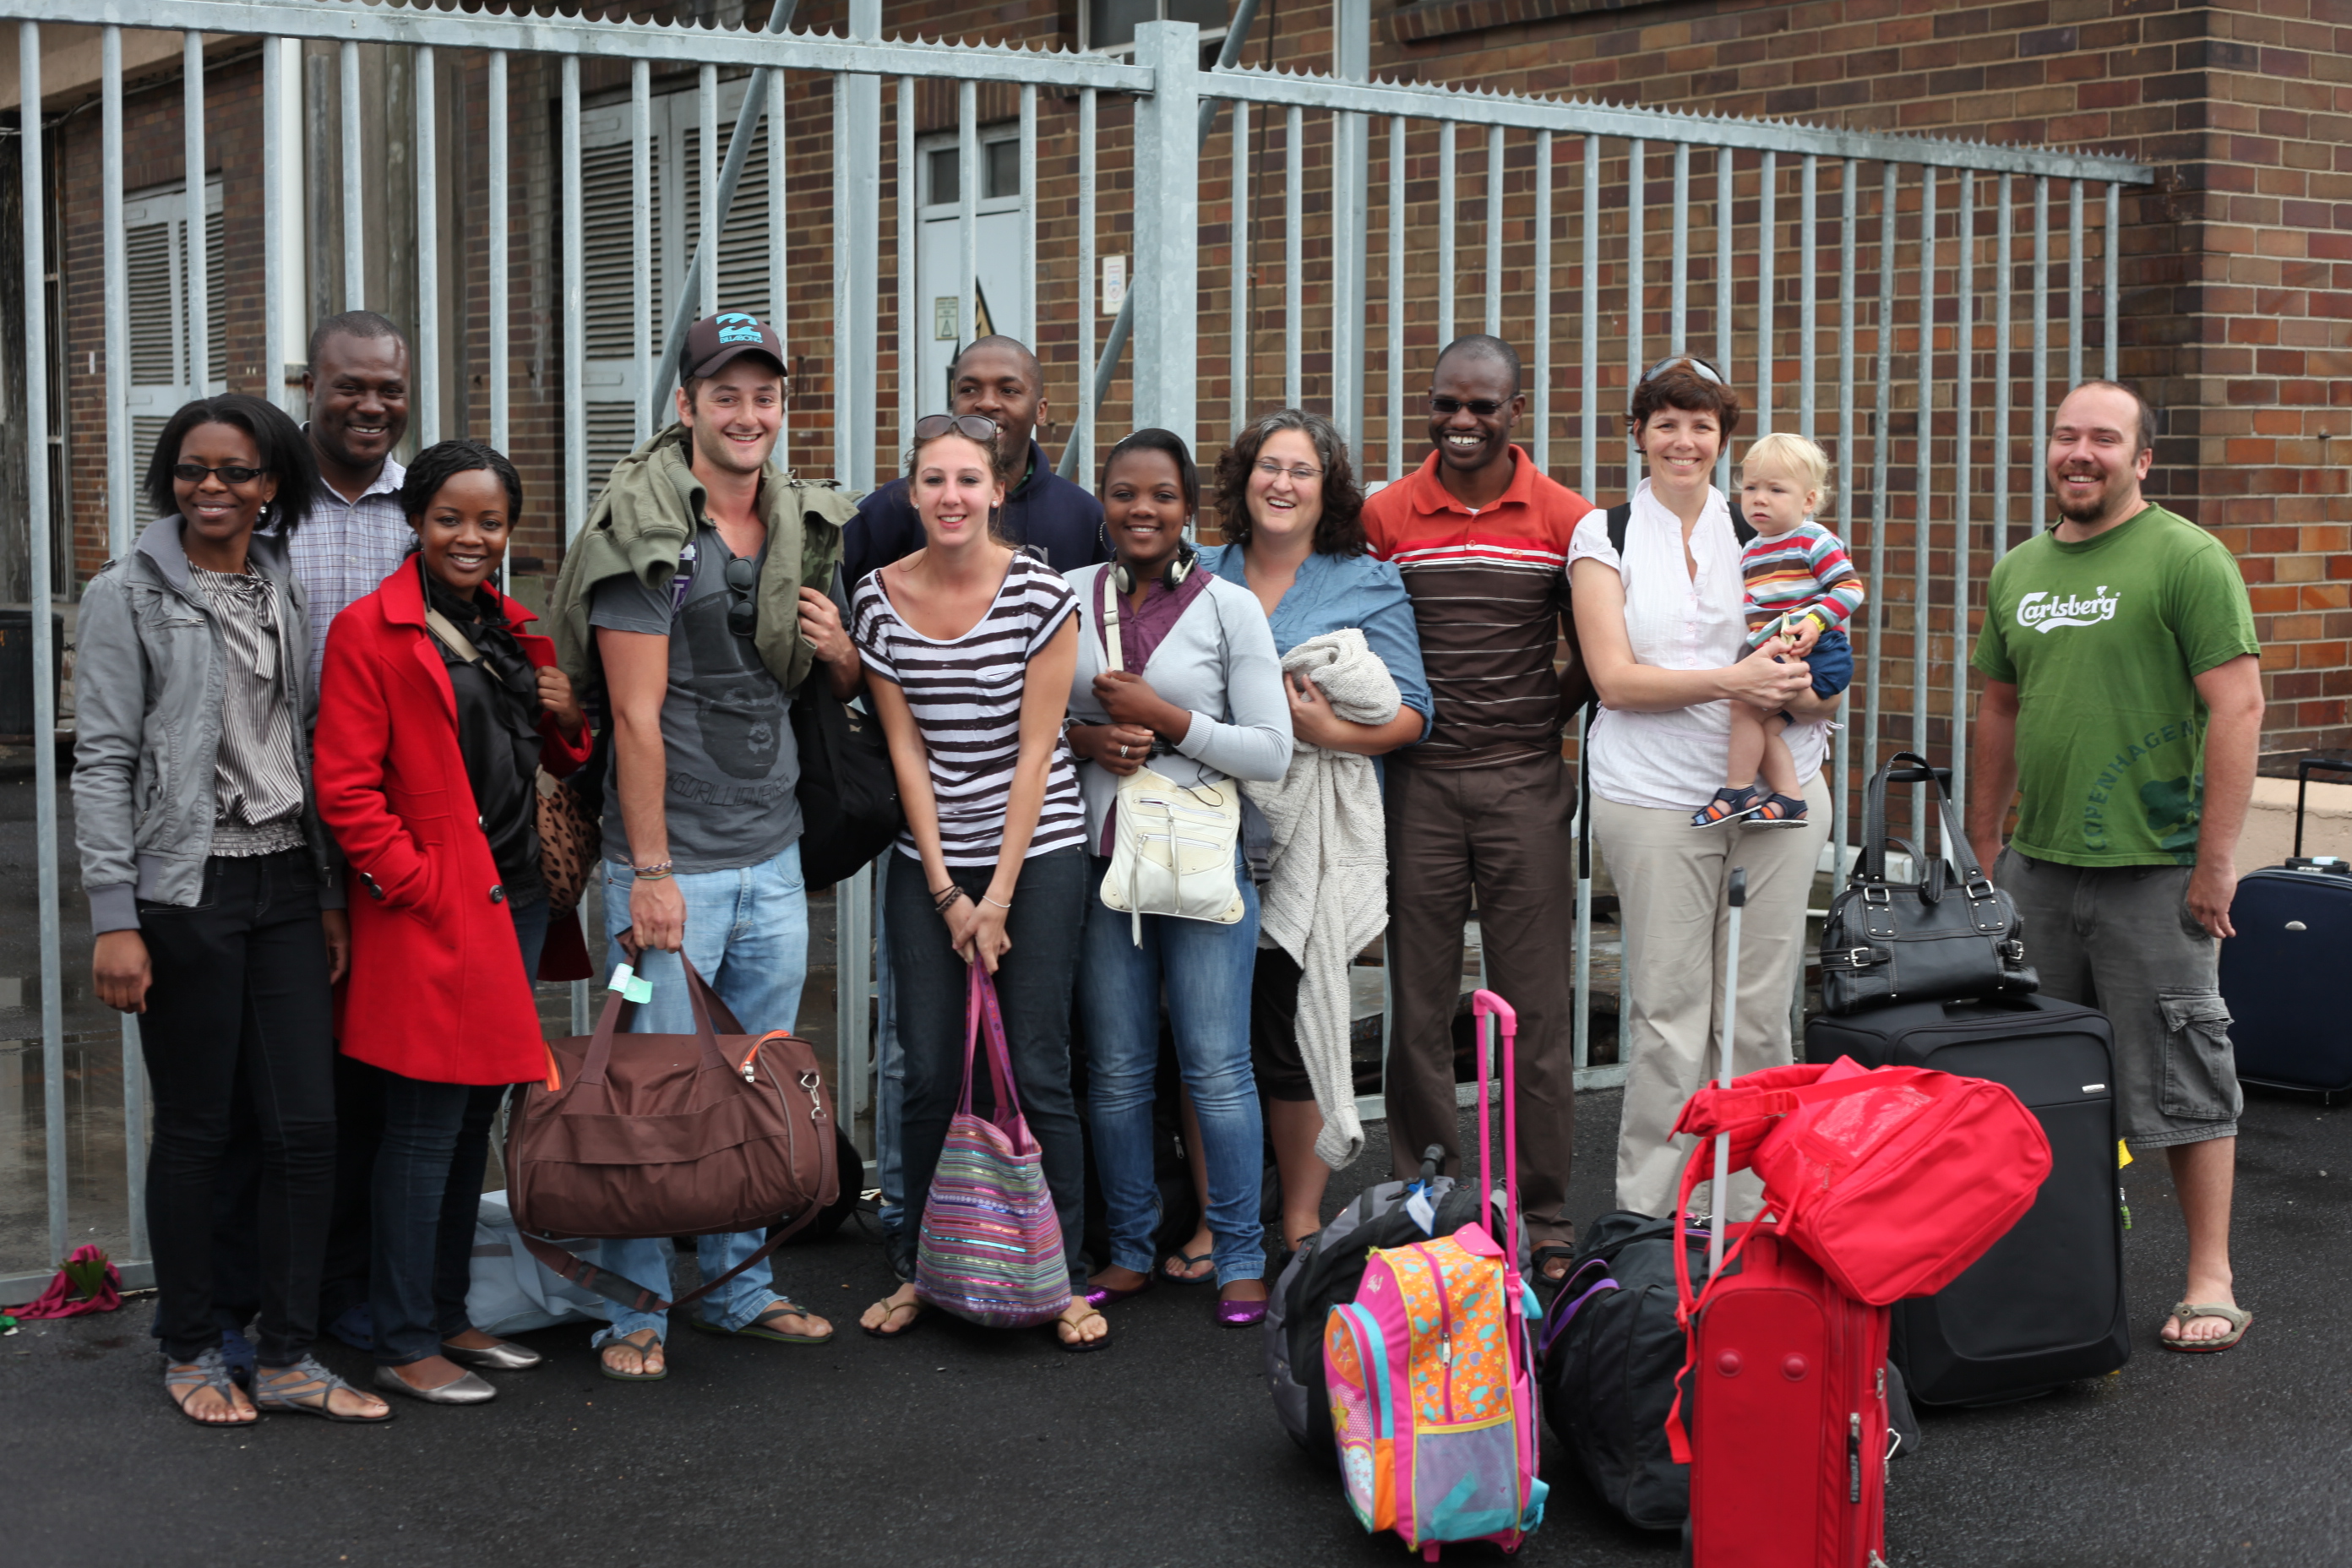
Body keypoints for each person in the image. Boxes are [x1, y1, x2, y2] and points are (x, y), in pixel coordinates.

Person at [73, 394, 389, 1426]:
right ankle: (191, 1344)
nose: (210, 486)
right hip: (186, 889)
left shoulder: (278, 581)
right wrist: (114, 915)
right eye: (191, 468)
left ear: (270, 485)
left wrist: (329, 893)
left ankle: (288, 1352)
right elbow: (103, 758)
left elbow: (300, 733)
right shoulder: (125, 592)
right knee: (199, 1128)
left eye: (235, 471)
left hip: (287, 880)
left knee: (305, 1126)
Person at [551, 313, 857, 1380]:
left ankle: (738, 1286)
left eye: (764, 395)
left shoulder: (796, 523)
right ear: (686, 405)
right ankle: (633, 1305)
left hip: (771, 851)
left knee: (754, 1077)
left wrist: (843, 652)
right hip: (670, 865)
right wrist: (650, 875)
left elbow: (832, 678)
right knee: (651, 1086)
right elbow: (635, 717)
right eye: (725, 394)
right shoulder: (647, 530)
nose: (747, 413)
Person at [1966, 380, 2262, 1353]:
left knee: (2184, 1069)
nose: (2079, 452)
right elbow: (2000, 705)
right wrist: (1984, 841)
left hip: (2157, 867)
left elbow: (2238, 706)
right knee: (2034, 1077)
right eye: (2066, 435)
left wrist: (2216, 860)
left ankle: (2211, 1276)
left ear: (2142, 460)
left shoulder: (2187, 558)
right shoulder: (2019, 569)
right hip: (2040, 870)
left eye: (2103, 437)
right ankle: (2062, 1256)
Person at [314, 439, 595, 1405]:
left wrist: (568, 714)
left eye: (490, 521)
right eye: (450, 518)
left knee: (474, 1115)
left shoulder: (512, 628)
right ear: (416, 520)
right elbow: (346, 791)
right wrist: (419, 884)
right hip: (438, 908)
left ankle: (445, 1312)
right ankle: (401, 1338)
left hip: (517, 898)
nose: (471, 537)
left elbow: (552, 759)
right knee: (424, 1126)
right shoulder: (369, 630)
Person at [841, 334, 1109, 1259]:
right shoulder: (876, 599)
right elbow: (905, 753)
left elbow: (1039, 752)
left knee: (1035, 1064)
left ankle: (1058, 1267)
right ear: (910, 494)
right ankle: (925, 1264)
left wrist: (993, 896)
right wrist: (947, 891)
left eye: (968, 479)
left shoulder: (1039, 591)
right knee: (925, 1069)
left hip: (1037, 852)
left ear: (998, 491)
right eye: (933, 481)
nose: (951, 495)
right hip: (930, 858)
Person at [1568, 356, 1837, 1221]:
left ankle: (1758, 1210)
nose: (1684, 441)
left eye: (1702, 426)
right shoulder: (1603, 535)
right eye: (1666, 424)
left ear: (1723, 439)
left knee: (1758, 1013)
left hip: (1781, 795)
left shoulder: (1764, 529)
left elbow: (1826, 676)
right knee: (1669, 1012)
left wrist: (1802, 688)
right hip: (1652, 797)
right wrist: (1735, 681)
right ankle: (1655, 1214)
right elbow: (1614, 681)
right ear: (1638, 434)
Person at [1358, 335, 1594, 1276]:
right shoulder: (1385, 513)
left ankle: (1543, 1215)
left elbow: (1595, 652)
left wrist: (1540, 715)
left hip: (1524, 781)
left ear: (1515, 411)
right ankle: (1430, 1199)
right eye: (1445, 404)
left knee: (1535, 1010)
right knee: (1417, 1004)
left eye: (1482, 406)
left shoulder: (1566, 517)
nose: (1461, 422)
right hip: (1417, 782)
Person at [1064, 428, 1293, 1325]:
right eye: (1124, 492)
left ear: (1189, 506)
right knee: (1117, 1068)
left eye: (1162, 494)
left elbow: (1270, 750)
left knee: (1217, 1067)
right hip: (1101, 860)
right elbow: (1031, 720)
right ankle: (1129, 1246)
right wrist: (1088, 739)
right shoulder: (1069, 596)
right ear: (1104, 503)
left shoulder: (1231, 607)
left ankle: (1238, 1252)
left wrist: (1166, 717)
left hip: (1201, 861)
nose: (1142, 509)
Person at [1197, 408, 1431, 1260]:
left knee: (1288, 1028)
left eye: (1302, 470)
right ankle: (1218, 1215)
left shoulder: (1366, 581)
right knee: (1205, 1036)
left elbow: (1413, 713)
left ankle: (1299, 1215)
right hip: (1203, 830)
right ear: (1244, 477)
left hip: (1305, 843)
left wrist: (1328, 732)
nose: (1283, 483)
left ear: (1327, 489)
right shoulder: (1200, 571)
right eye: (1269, 465)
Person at [1694, 432, 1865, 829]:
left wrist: (1815, 621)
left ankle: (1737, 789)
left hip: (1817, 649)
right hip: (1781, 650)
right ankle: (1789, 797)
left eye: (1776, 490)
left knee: (1743, 704)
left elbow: (1850, 588)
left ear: (1808, 500)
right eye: (1751, 488)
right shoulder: (1751, 550)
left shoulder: (1813, 540)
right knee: (1764, 727)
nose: (1759, 499)